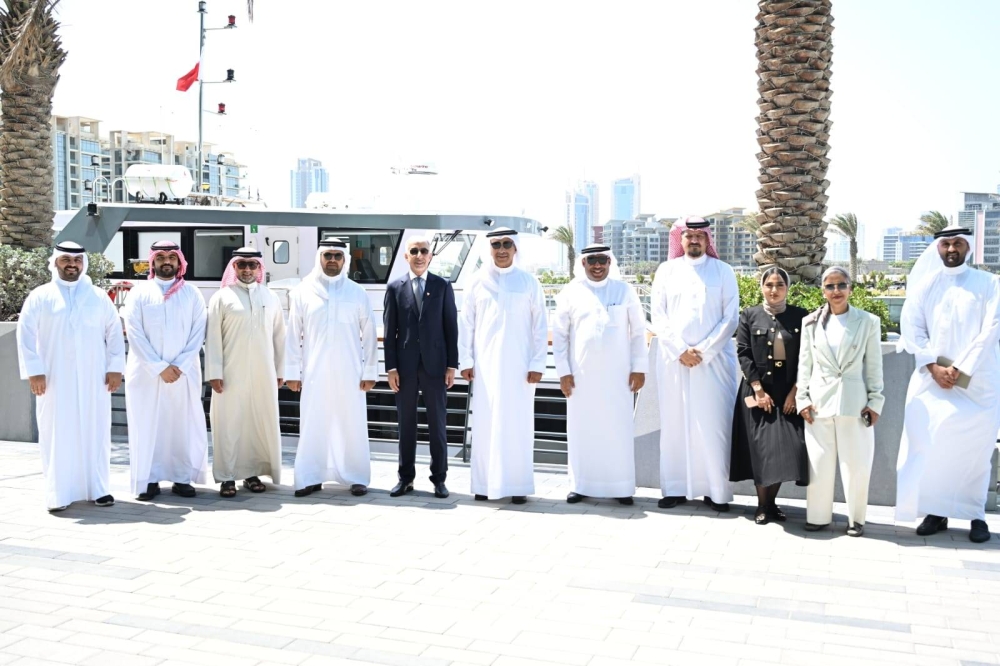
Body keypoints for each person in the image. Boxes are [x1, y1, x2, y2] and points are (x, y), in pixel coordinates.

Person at [896, 225, 1000, 543]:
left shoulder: (990, 283)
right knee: (932, 447)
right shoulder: (925, 285)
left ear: (967, 246)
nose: (951, 249)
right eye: (946, 244)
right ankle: (935, 512)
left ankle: (976, 516)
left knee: (976, 454)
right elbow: (913, 329)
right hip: (932, 381)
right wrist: (934, 366)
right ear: (938, 248)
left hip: (978, 384)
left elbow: (991, 329)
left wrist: (959, 368)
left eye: (957, 243)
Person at [17, 241, 125, 511]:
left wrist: (115, 367)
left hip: (94, 378)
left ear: (83, 263)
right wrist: (34, 371)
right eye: (66, 259)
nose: (72, 265)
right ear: (55, 262)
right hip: (54, 379)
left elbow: (113, 332)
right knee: (57, 432)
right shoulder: (40, 296)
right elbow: (25, 335)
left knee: (95, 430)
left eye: (76, 260)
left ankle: (98, 488)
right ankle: (58, 493)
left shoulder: (98, 296)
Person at [650, 217, 739, 512]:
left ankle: (716, 492)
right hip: (674, 362)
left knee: (714, 426)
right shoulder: (666, 271)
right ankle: (675, 488)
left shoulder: (723, 271)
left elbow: (731, 318)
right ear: (681, 239)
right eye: (689, 235)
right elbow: (658, 316)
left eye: (700, 235)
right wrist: (680, 350)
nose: (694, 240)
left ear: (708, 239)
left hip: (713, 363)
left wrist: (702, 351)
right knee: (674, 425)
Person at [552, 244, 647, 505]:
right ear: (583, 263)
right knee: (582, 431)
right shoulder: (571, 292)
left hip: (618, 377)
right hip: (581, 378)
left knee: (618, 431)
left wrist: (639, 367)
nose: (597, 265)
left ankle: (621, 487)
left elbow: (639, 332)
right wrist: (563, 373)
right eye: (592, 260)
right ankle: (580, 485)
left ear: (609, 262)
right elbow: (559, 336)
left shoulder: (624, 290)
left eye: (602, 260)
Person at [458, 228, 547, 504]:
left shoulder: (529, 282)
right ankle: (483, 484)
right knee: (484, 425)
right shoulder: (476, 282)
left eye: (507, 244)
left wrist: (538, 363)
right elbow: (466, 325)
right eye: (496, 244)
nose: (502, 249)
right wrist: (466, 360)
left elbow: (540, 326)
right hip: (484, 368)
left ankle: (517, 485)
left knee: (518, 425)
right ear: (489, 249)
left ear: (516, 248)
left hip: (520, 368)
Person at [796, 267, 884, 537]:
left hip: (854, 403)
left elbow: (874, 367)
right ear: (822, 290)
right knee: (818, 464)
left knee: (856, 465)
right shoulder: (810, 322)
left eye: (841, 285)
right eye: (830, 286)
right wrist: (802, 399)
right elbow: (804, 364)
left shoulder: (868, 322)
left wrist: (876, 402)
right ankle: (818, 516)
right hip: (818, 403)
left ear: (850, 288)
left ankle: (856, 519)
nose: (836, 291)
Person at [286, 239, 377, 498]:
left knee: (352, 424)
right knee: (313, 423)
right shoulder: (303, 292)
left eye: (338, 255)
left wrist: (370, 372)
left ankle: (356, 477)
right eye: (328, 255)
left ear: (345, 260)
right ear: (320, 258)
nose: (333, 260)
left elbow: (370, 333)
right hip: (314, 372)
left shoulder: (357, 292)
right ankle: (310, 477)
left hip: (351, 373)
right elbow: (292, 335)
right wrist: (292, 373)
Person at [122, 240, 208, 501]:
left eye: (172, 257)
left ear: (179, 261)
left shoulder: (192, 293)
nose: (166, 261)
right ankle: (148, 479)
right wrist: (159, 367)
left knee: (181, 425)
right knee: (146, 425)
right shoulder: (139, 293)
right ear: (153, 261)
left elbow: (198, 333)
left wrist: (179, 365)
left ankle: (182, 478)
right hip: (146, 375)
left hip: (183, 373)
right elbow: (134, 333)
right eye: (160, 257)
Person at [730, 266, 808, 525]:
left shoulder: (801, 316)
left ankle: (770, 503)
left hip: (788, 394)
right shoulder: (749, 315)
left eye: (780, 285)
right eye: (769, 285)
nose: (774, 290)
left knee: (787, 449)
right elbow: (743, 352)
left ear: (787, 288)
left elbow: (807, 357)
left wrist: (795, 392)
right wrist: (758, 390)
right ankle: (764, 506)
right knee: (763, 451)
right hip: (758, 393)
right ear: (761, 287)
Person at [205, 248, 286, 498]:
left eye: (252, 264)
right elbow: (212, 338)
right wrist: (214, 372)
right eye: (242, 264)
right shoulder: (221, 297)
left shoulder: (270, 297)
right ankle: (227, 477)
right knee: (228, 423)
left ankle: (252, 474)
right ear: (234, 267)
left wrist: (280, 370)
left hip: (264, 372)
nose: (247, 269)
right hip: (230, 373)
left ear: (259, 268)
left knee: (256, 422)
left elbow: (279, 336)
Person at [383, 235, 459, 499]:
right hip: (404, 369)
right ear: (406, 256)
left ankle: (439, 479)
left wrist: (451, 366)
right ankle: (405, 479)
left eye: (424, 251)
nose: (419, 255)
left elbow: (451, 328)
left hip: (436, 367)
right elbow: (389, 331)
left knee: (438, 425)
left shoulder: (442, 286)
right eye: (414, 251)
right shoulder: (394, 287)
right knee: (406, 425)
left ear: (430, 256)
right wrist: (391, 368)